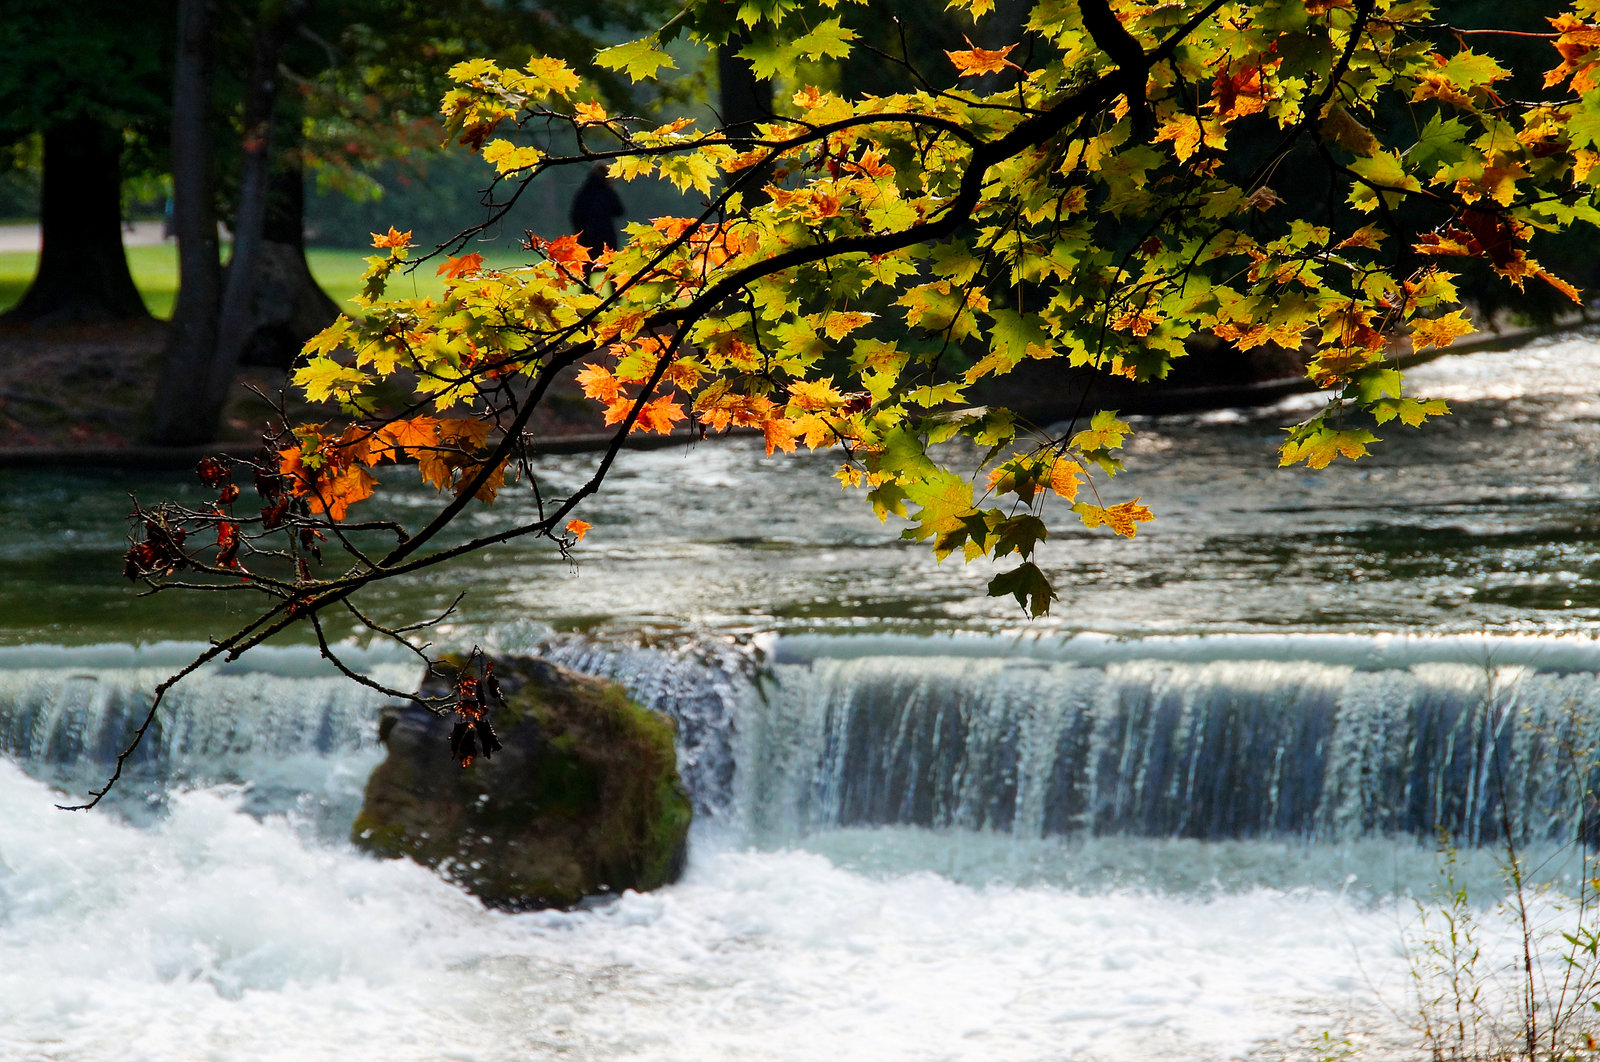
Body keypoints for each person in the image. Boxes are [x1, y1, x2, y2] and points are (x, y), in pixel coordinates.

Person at [568, 166, 624, 258]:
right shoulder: (608, 191)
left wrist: (579, 231)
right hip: (606, 234)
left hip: (586, 236)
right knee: (609, 265)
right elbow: (619, 211)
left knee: (586, 266)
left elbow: (575, 215)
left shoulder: (583, 192)